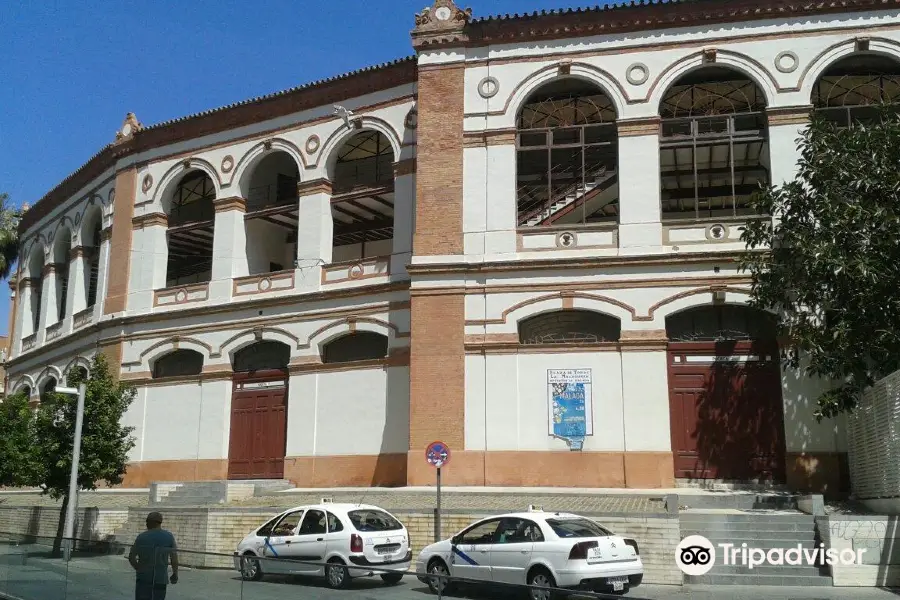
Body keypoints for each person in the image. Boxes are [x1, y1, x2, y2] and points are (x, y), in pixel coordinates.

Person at [128, 511, 178, 600]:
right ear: (160, 522)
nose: (146, 523)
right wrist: (175, 574)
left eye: (147, 521)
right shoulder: (169, 536)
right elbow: (174, 558)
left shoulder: (141, 537)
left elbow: (131, 557)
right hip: (161, 578)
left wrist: (139, 568)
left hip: (143, 578)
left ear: (150, 522)